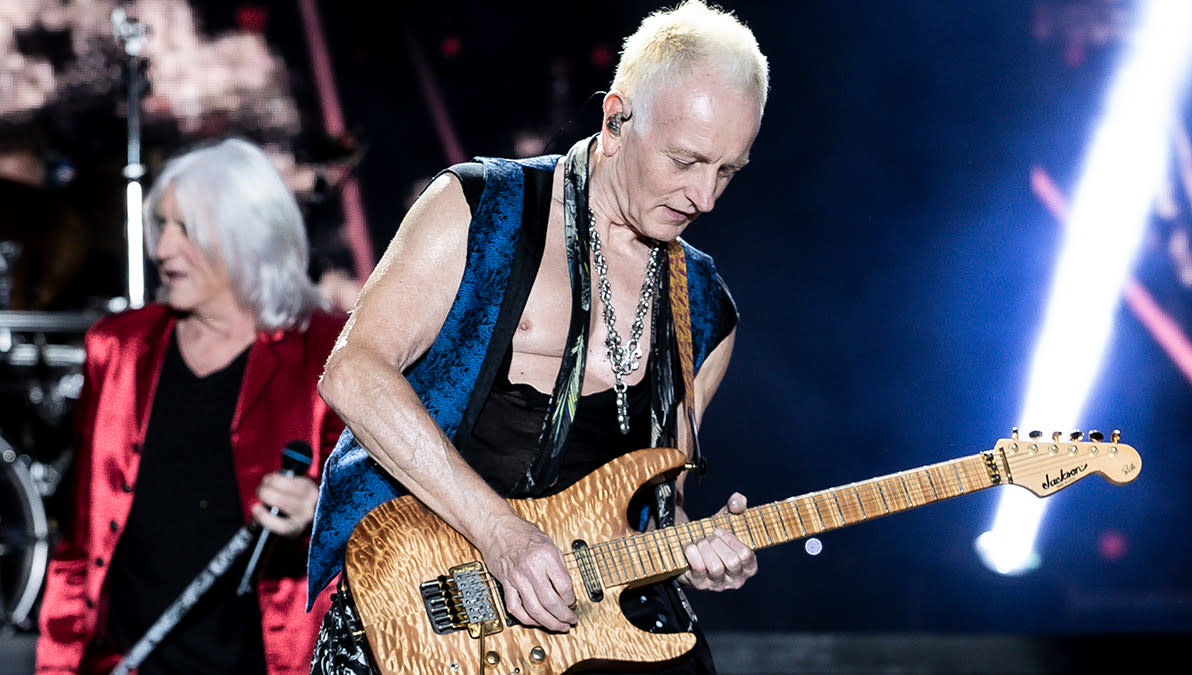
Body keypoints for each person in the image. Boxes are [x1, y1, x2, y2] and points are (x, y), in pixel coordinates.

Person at [308, 1, 768, 672]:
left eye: (728, 170)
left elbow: (651, 508)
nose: (706, 197)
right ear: (616, 121)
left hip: (589, 630)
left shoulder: (703, 307)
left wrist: (695, 550)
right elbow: (352, 373)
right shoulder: (480, 207)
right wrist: (500, 533)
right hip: (425, 607)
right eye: (686, 160)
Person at [35, 138, 346, 674]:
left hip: (268, 660)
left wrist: (320, 516)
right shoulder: (118, 347)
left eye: (189, 231)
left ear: (252, 238)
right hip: (129, 659)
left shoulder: (328, 350)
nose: (163, 250)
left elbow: (386, 521)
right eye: (163, 226)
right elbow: (80, 538)